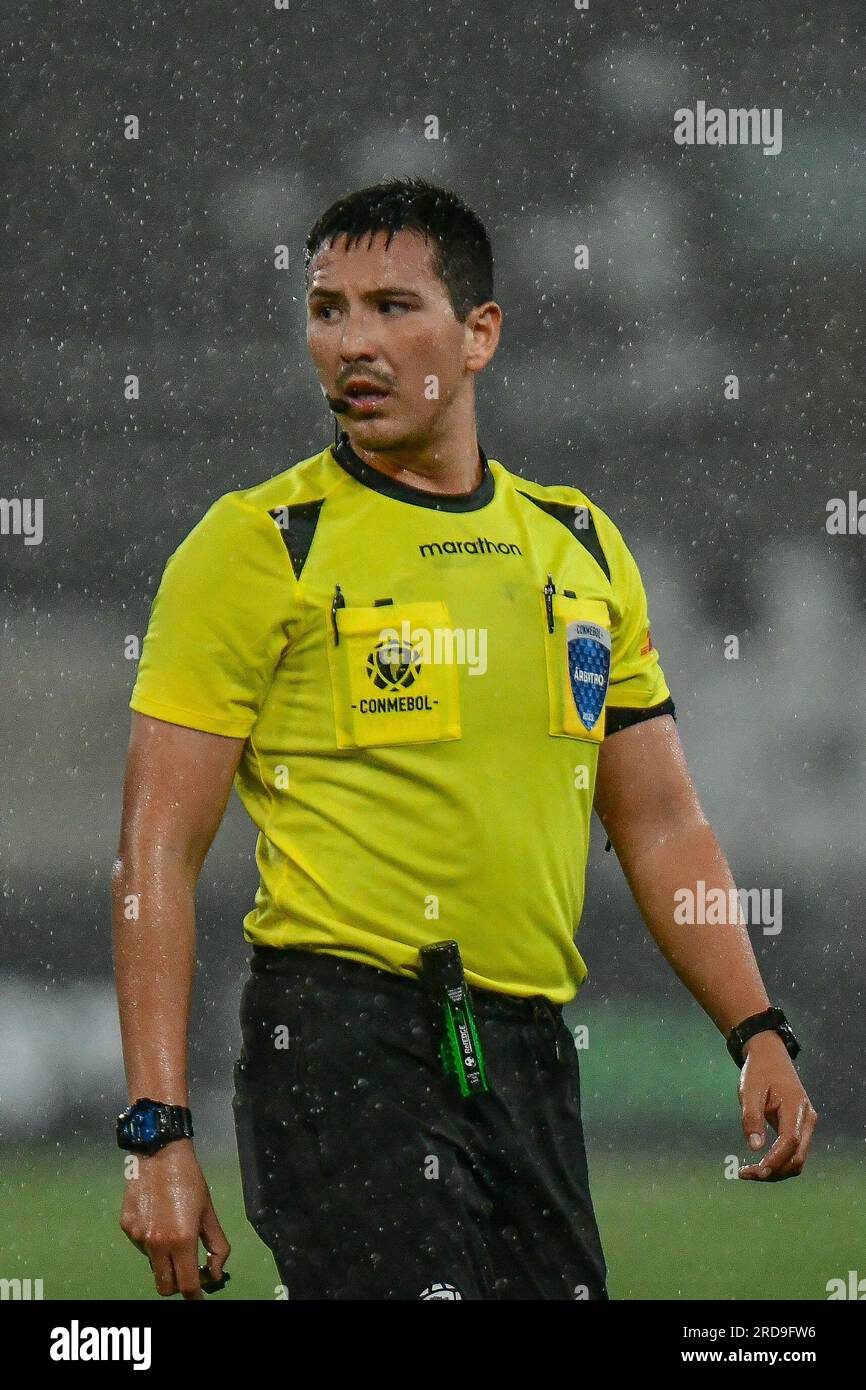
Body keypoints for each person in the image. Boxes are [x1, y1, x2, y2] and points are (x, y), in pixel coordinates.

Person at [112, 177, 817, 1301]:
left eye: (393, 306)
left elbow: (658, 818)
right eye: (327, 308)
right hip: (341, 1043)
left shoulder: (577, 545)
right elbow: (155, 852)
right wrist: (157, 1129)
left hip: (526, 1053)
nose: (353, 342)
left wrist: (754, 1026)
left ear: (478, 334)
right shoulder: (258, 545)